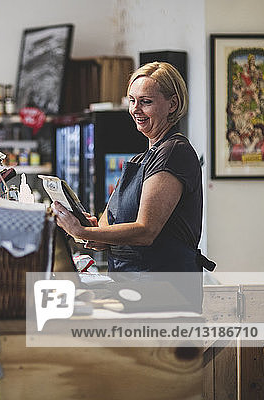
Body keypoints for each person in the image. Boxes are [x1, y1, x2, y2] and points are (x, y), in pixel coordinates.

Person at [54, 62, 212, 306]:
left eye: (146, 102)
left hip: (165, 293)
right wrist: (95, 232)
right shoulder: (141, 159)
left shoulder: (173, 152)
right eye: (132, 100)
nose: (136, 109)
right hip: (131, 287)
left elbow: (146, 231)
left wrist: (82, 231)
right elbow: (108, 227)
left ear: (173, 104)